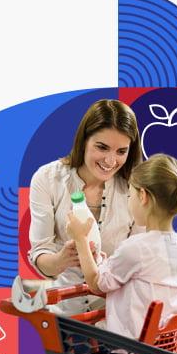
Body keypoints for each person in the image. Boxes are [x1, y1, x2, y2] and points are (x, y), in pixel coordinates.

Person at [66, 153, 177, 354]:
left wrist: (80, 240)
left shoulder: (136, 247)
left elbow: (98, 284)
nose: (129, 201)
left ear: (143, 196)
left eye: (130, 194)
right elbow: (133, 276)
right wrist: (103, 261)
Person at [28, 99, 143, 316]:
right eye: (102, 147)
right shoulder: (47, 178)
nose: (110, 160)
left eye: (121, 151)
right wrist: (60, 260)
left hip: (118, 316)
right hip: (65, 313)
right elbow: (40, 252)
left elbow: (142, 258)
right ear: (84, 140)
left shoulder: (136, 189)